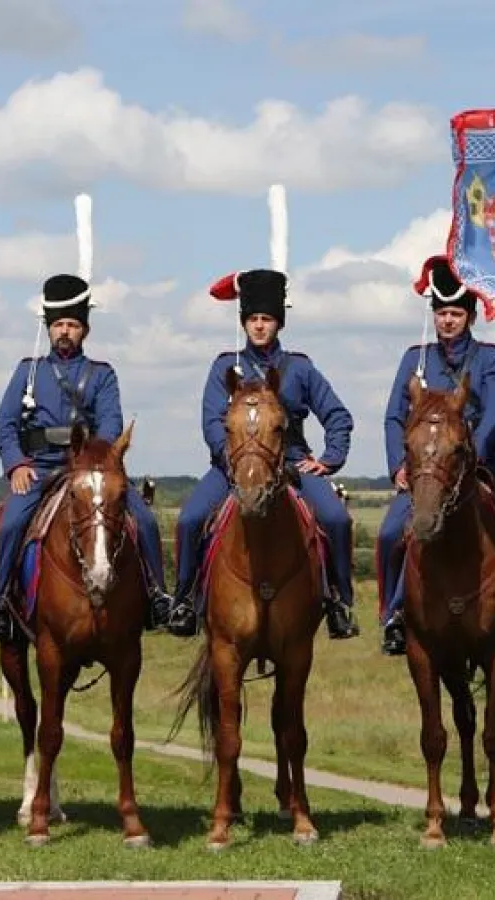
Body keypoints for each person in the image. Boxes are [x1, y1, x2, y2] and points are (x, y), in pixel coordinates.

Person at [166, 185, 358, 640]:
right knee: (191, 519)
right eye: (252, 318)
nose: (259, 325)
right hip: (231, 466)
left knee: (336, 519)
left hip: (292, 465)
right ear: (244, 321)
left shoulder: (301, 368)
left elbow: (339, 416)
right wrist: (235, 460)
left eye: (267, 319)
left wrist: (329, 459)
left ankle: (339, 603)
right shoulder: (222, 367)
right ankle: (185, 602)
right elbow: (213, 422)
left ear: (278, 322)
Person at [0, 195, 170, 640]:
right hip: (41, 471)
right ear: (48, 327)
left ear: (85, 328)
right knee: (9, 523)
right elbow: (5, 427)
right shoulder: (27, 371)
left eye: (72, 324)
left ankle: (158, 596)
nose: (64, 331)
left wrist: (92, 468)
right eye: (58, 324)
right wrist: (16, 464)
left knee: (142, 519)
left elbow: (110, 429)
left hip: (88, 474)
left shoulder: (102, 375)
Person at [376, 255, 495, 655]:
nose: (448, 321)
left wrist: (470, 453)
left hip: (485, 463)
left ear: (470, 316)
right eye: (442, 313)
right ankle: (393, 614)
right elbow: (394, 416)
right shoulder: (415, 359)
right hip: (428, 470)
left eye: (456, 313)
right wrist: (397, 466)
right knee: (391, 533)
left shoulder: (493, 359)